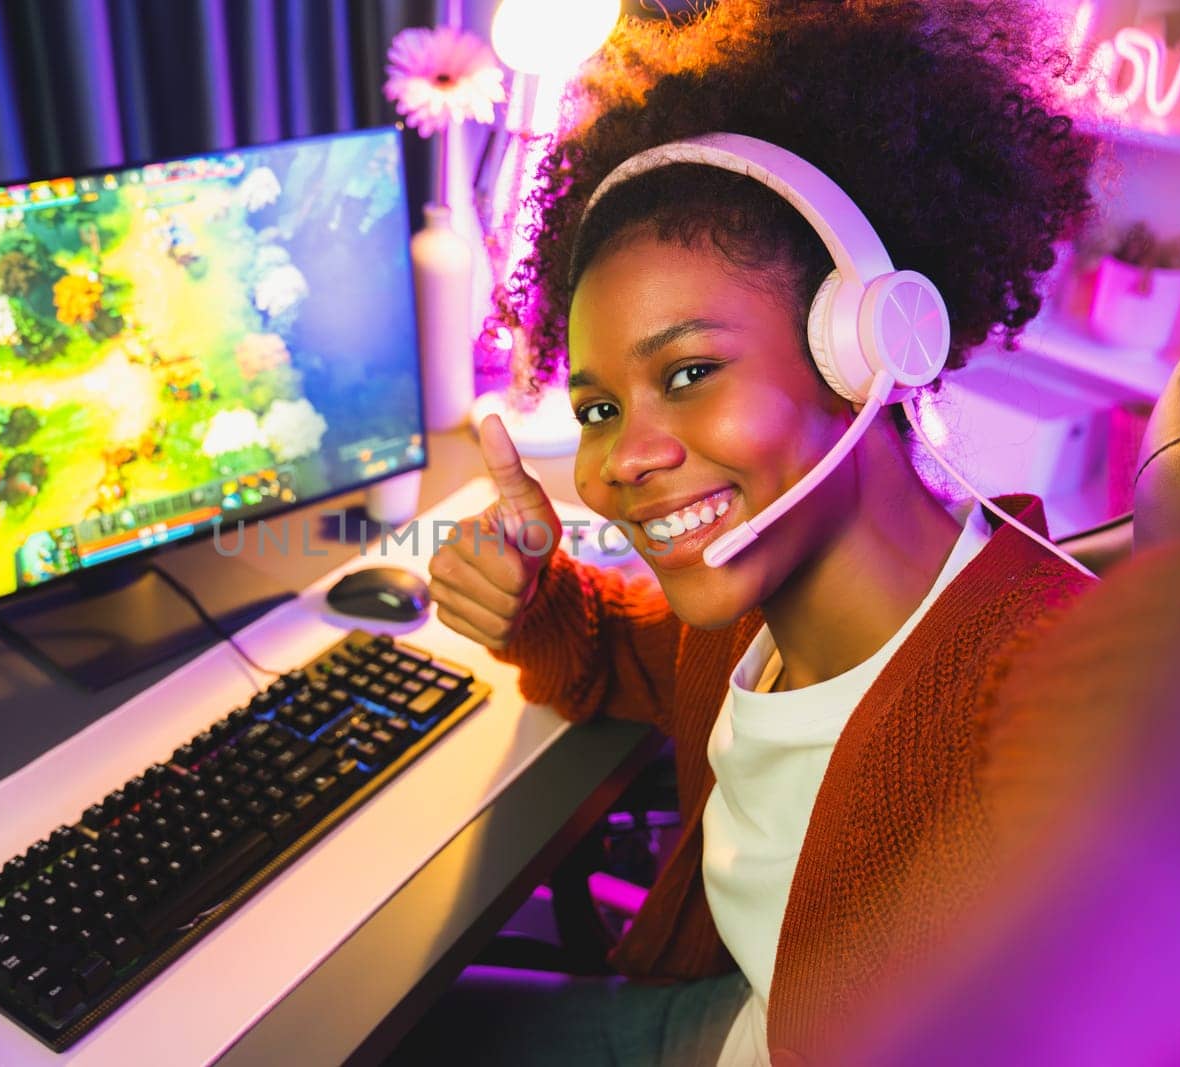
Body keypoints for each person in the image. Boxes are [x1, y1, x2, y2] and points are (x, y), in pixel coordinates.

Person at [389, 1, 1102, 1063]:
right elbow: (629, 657)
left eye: (687, 374)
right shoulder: (757, 618)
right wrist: (533, 600)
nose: (618, 460)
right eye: (598, 408)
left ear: (865, 347)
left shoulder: (1041, 729)